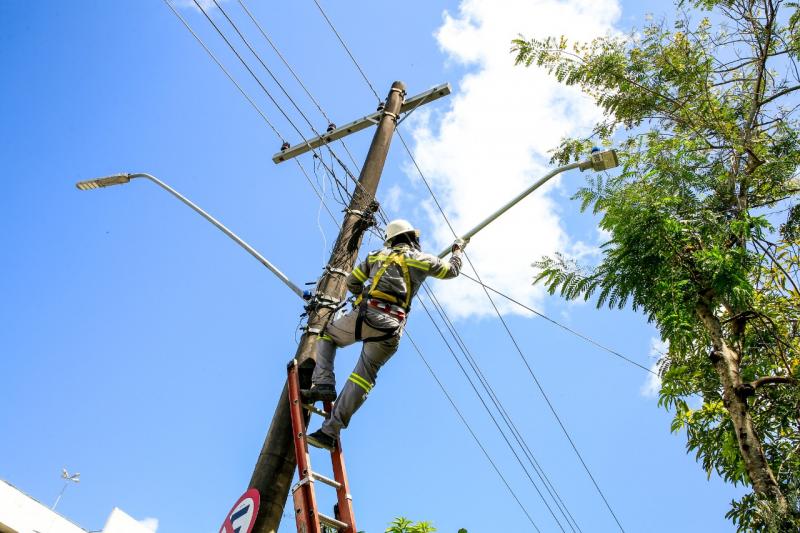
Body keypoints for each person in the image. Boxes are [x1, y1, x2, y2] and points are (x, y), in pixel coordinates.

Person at [303, 219, 467, 449]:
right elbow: (452, 271)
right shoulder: (422, 260)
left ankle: (324, 384)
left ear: (391, 240)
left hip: (365, 316)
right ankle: (330, 432)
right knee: (363, 377)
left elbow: (352, 282)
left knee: (326, 337)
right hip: (391, 329)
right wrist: (458, 250)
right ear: (411, 238)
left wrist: (360, 298)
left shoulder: (375, 256)